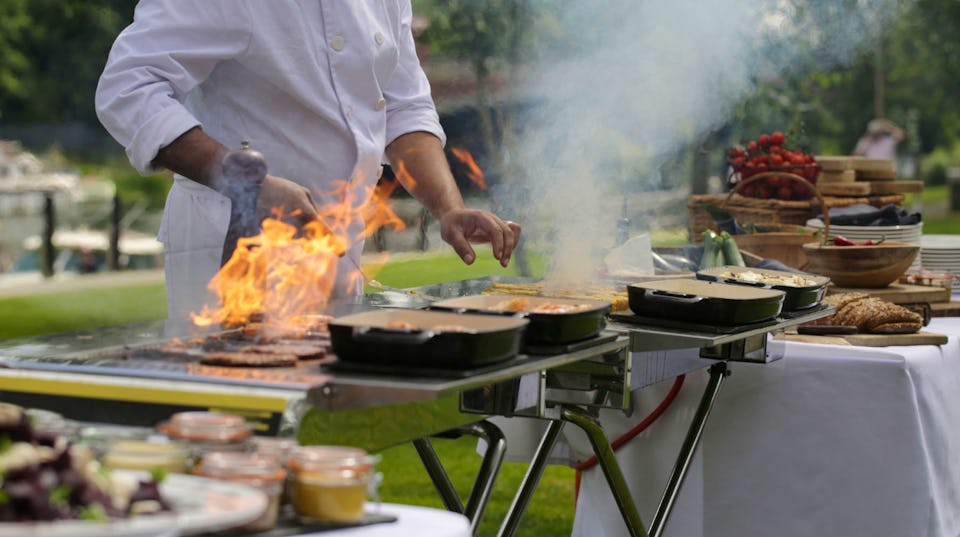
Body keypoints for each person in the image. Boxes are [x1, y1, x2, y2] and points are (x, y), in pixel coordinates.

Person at [95, 1, 521, 321]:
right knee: (235, 418)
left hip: (340, 248)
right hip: (233, 248)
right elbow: (128, 88)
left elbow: (405, 107)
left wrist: (448, 207)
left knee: (324, 422)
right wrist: (244, 181)